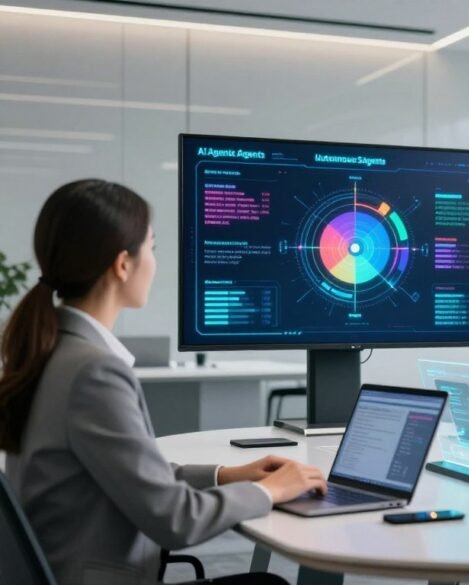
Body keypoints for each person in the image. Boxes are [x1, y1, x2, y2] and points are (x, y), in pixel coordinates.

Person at [0, 179, 327, 585]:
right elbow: (174, 520)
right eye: (152, 247)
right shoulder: (92, 372)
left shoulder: (52, 351)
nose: (154, 261)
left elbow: (130, 474)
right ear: (123, 264)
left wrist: (227, 475)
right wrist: (270, 492)